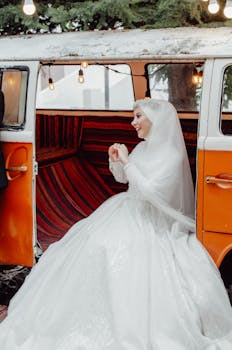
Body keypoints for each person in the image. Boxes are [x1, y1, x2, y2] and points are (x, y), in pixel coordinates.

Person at [0, 98, 232, 349]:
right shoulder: (143, 148)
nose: (133, 123)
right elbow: (125, 179)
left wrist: (127, 162)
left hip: (152, 218)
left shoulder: (172, 156)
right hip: (126, 207)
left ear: (155, 119)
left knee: (112, 248)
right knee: (89, 243)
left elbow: (153, 193)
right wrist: (116, 161)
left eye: (138, 117)